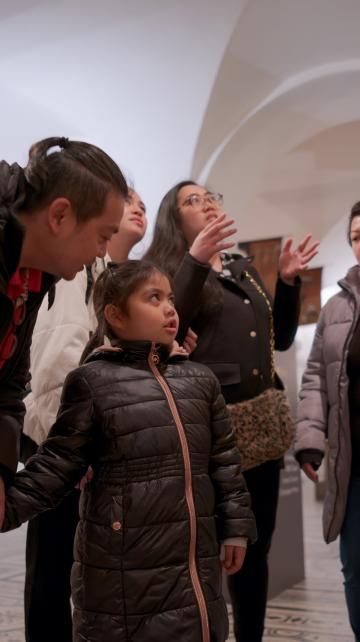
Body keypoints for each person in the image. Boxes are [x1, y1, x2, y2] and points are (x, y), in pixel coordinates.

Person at [2, 259, 257, 642]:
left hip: (192, 568)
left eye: (170, 297)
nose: (169, 308)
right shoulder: (93, 381)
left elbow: (224, 463)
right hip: (122, 570)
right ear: (116, 315)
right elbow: (57, 464)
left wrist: (236, 529)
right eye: (153, 298)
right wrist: (7, 506)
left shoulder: (199, 381)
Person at [145, 180, 319, 642]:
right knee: (208, 554)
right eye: (192, 200)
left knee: (254, 550)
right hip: (208, 433)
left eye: (210, 196)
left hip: (260, 430)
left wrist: (286, 282)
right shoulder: (167, 272)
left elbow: (279, 338)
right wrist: (196, 261)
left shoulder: (242, 267)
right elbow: (165, 331)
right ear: (175, 219)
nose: (206, 204)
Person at [20, 188, 147, 642]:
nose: (135, 211)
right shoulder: (75, 274)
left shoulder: (107, 273)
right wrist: (71, 447)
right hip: (69, 450)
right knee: (54, 574)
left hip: (91, 447)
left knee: (82, 573)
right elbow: (56, 371)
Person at [0, 136, 127, 529]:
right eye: (103, 235)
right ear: (60, 216)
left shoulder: (33, 276)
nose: (103, 252)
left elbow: (8, 387)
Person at [295, 201, 360, 642]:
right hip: (353, 465)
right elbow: (316, 376)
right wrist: (310, 439)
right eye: (356, 235)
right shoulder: (336, 305)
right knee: (355, 567)